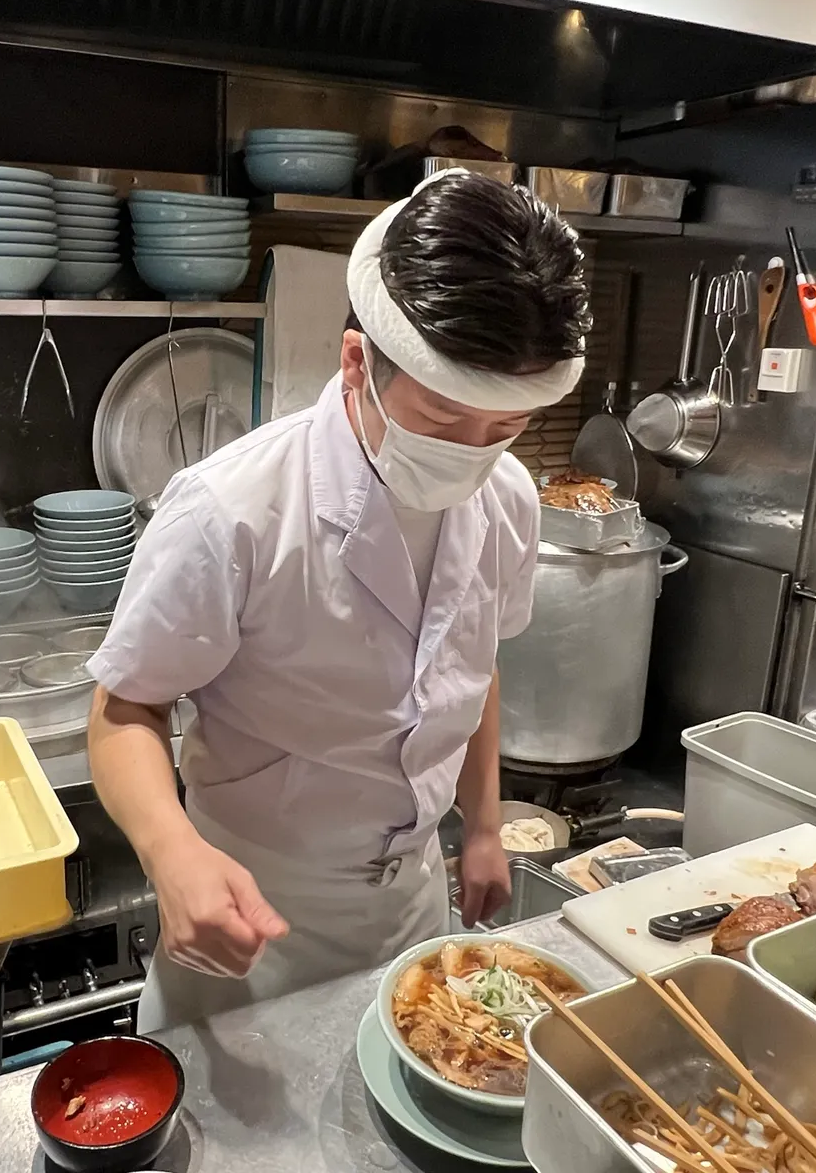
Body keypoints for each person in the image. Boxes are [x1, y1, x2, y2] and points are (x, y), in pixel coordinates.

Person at [85, 170, 593, 1032]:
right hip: (251, 913)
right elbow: (122, 707)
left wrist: (478, 826)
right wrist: (172, 855)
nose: (475, 454)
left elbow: (472, 669)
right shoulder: (232, 510)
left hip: (410, 905)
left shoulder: (507, 497)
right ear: (357, 361)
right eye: (442, 417)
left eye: (503, 428)